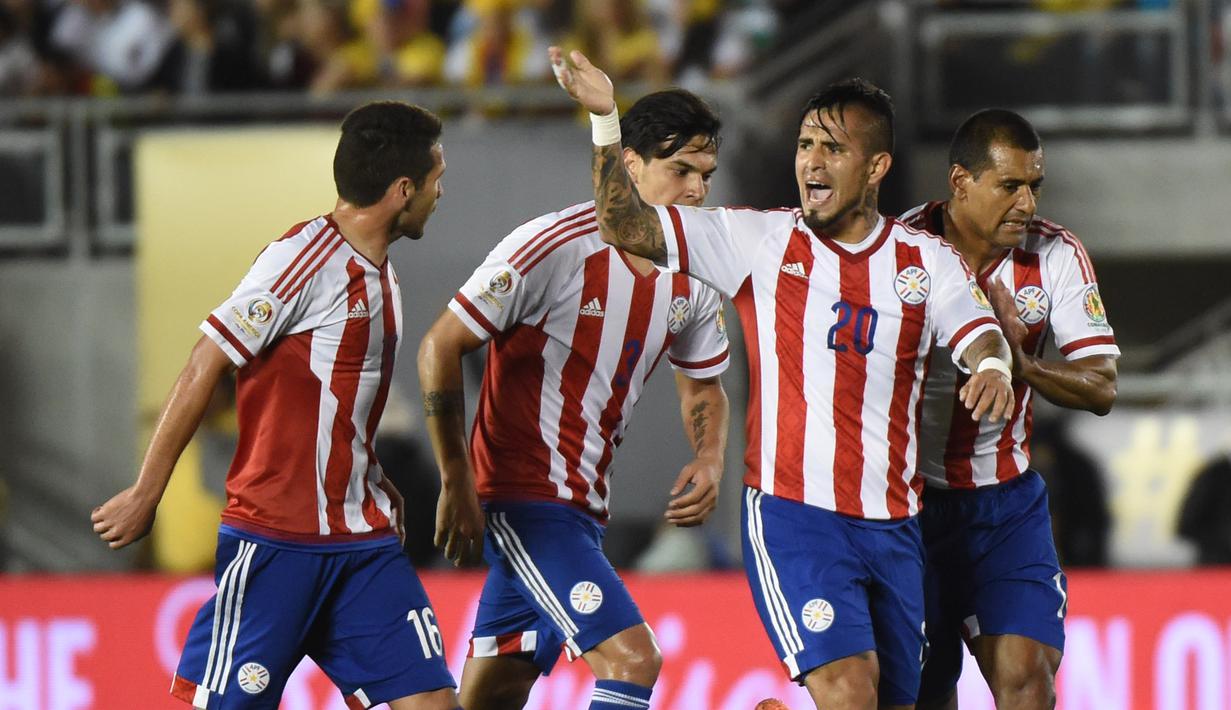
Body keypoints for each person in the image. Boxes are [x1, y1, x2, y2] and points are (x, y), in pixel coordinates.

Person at [551, 48, 1016, 710]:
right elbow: (623, 224)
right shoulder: (757, 241)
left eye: (831, 147)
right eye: (804, 145)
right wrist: (604, 119)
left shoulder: (926, 262)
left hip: (895, 525)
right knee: (848, 691)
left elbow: (978, 333)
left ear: (876, 166)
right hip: (795, 514)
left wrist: (993, 367)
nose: (811, 162)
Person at [91, 101, 460, 710]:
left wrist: (372, 477)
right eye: (436, 178)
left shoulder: (381, 275)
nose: (441, 192)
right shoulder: (302, 260)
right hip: (277, 544)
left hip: (361, 546)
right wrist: (145, 492)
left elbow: (334, 402)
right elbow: (202, 366)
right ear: (402, 189)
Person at [418, 87, 731, 710]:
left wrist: (711, 456)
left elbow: (703, 384)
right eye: (681, 172)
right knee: (634, 658)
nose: (697, 190)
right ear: (631, 165)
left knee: (494, 694)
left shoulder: (696, 272)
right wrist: (455, 478)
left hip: (582, 508)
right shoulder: (553, 246)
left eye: (706, 174)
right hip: (524, 500)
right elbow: (440, 345)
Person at [898, 108, 1119, 710]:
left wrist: (1024, 365)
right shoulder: (901, 252)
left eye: (1034, 186)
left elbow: (1101, 385)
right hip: (907, 505)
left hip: (1005, 504)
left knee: (1027, 680)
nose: (1025, 203)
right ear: (959, 181)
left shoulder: (1054, 255)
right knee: (925, 688)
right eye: (1009, 186)